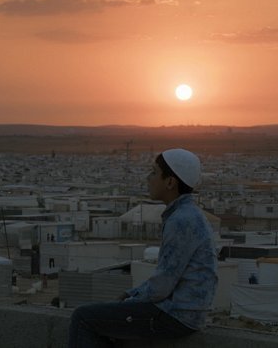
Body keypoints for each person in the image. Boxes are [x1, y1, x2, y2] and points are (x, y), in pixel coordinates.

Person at [68, 148, 218, 347]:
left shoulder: (181, 220)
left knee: (83, 317)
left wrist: (130, 297)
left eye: (154, 172)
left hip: (176, 315)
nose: (148, 178)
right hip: (188, 311)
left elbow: (162, 285)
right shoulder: (190, 214)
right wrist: (131, 296)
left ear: (170, 182)